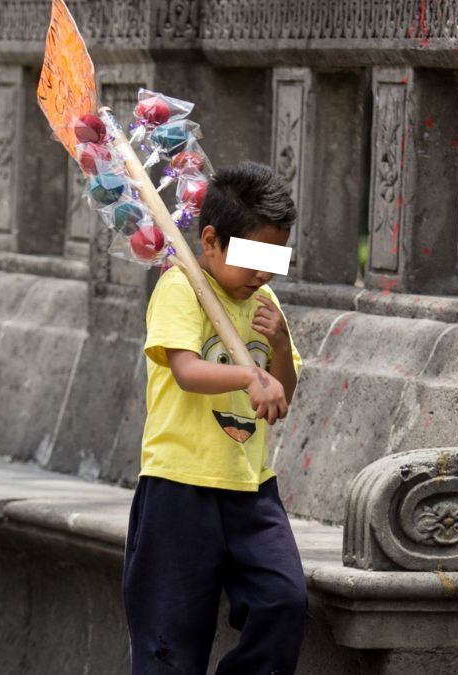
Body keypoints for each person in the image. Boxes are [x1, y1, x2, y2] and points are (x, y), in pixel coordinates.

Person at [123, 161, 308, 674]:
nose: (263, 273)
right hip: (178, 487)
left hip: (250, 487)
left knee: (283, 600)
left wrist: (279, 345)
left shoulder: (266, 303)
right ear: (210, 240)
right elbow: (186, 370)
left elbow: (281, 396)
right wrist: (248, 378)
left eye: (274, 259)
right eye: (252, 258)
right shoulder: (181, 286)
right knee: (169, 642)